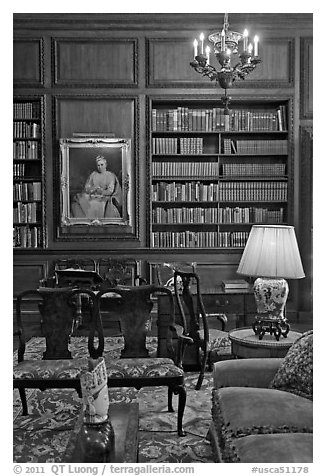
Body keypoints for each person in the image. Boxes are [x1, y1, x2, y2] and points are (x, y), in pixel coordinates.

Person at [72, 155, 122, 219]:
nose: (100, 167)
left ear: (106, 165)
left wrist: (101, 191)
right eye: (98, 165)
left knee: (96, 204)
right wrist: (94, 189)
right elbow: (87, 188)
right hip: (93, 195)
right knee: (79, 200)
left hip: (105, 198)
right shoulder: (93, 174)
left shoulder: (110, 175)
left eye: (102, 165)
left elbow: (110, 191)